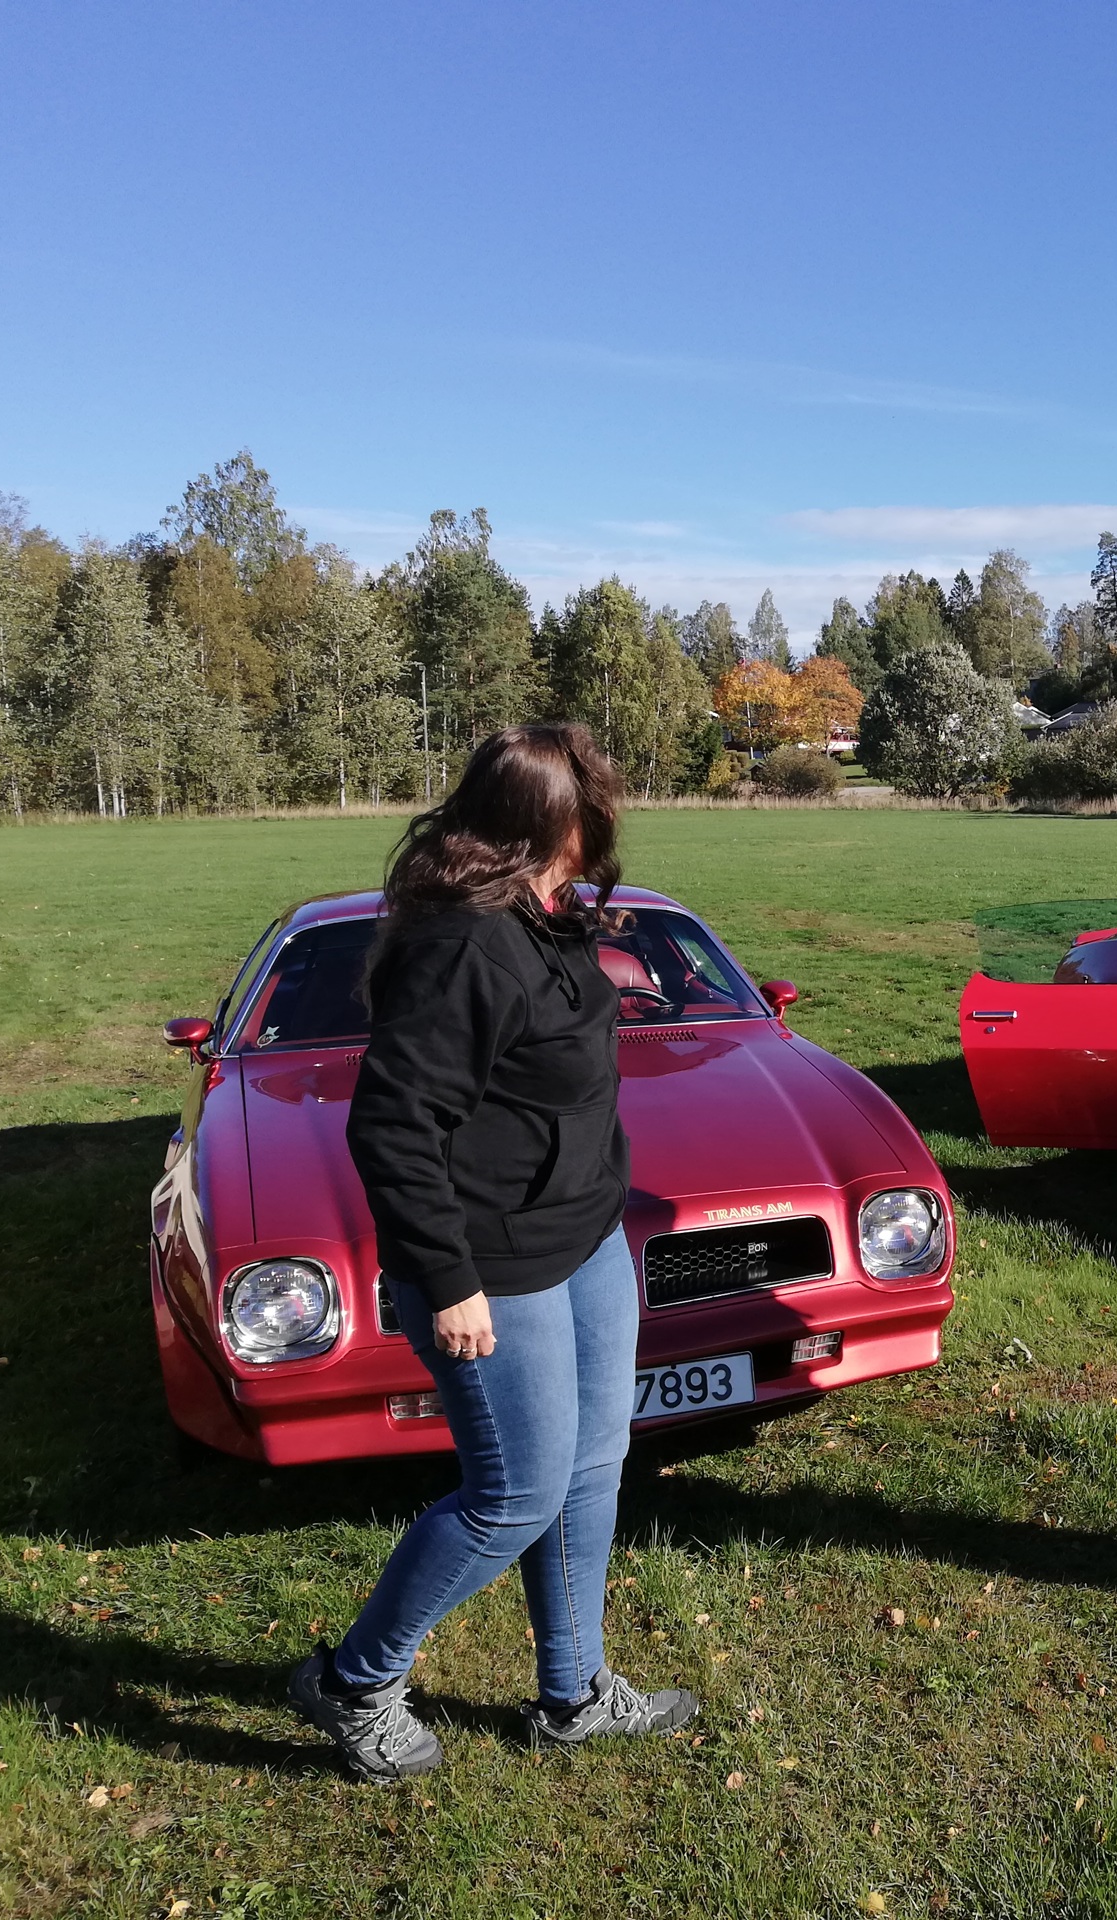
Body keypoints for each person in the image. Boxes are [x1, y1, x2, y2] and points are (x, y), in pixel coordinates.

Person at [289, 723, 697, 1783]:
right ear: (546, 825)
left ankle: (574, 1693)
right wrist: (448, 1278)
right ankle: (354, 1681)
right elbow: (392, 1127)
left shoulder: (542, 916)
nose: (605, 826)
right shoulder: (462, 944)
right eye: (591, 810)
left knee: (592, 1466)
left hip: (583, 1240)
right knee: (513, 1494)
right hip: (489, 1268)